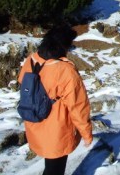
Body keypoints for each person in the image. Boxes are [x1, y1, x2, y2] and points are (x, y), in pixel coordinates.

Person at [18, 24, 93, 175]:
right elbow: (78, 106)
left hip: (34, 122)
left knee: (51, 167)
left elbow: (22, 83)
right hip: (57, 129)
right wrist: (86, 134)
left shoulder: (31, 60)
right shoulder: (65, 70)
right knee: (55, 169)